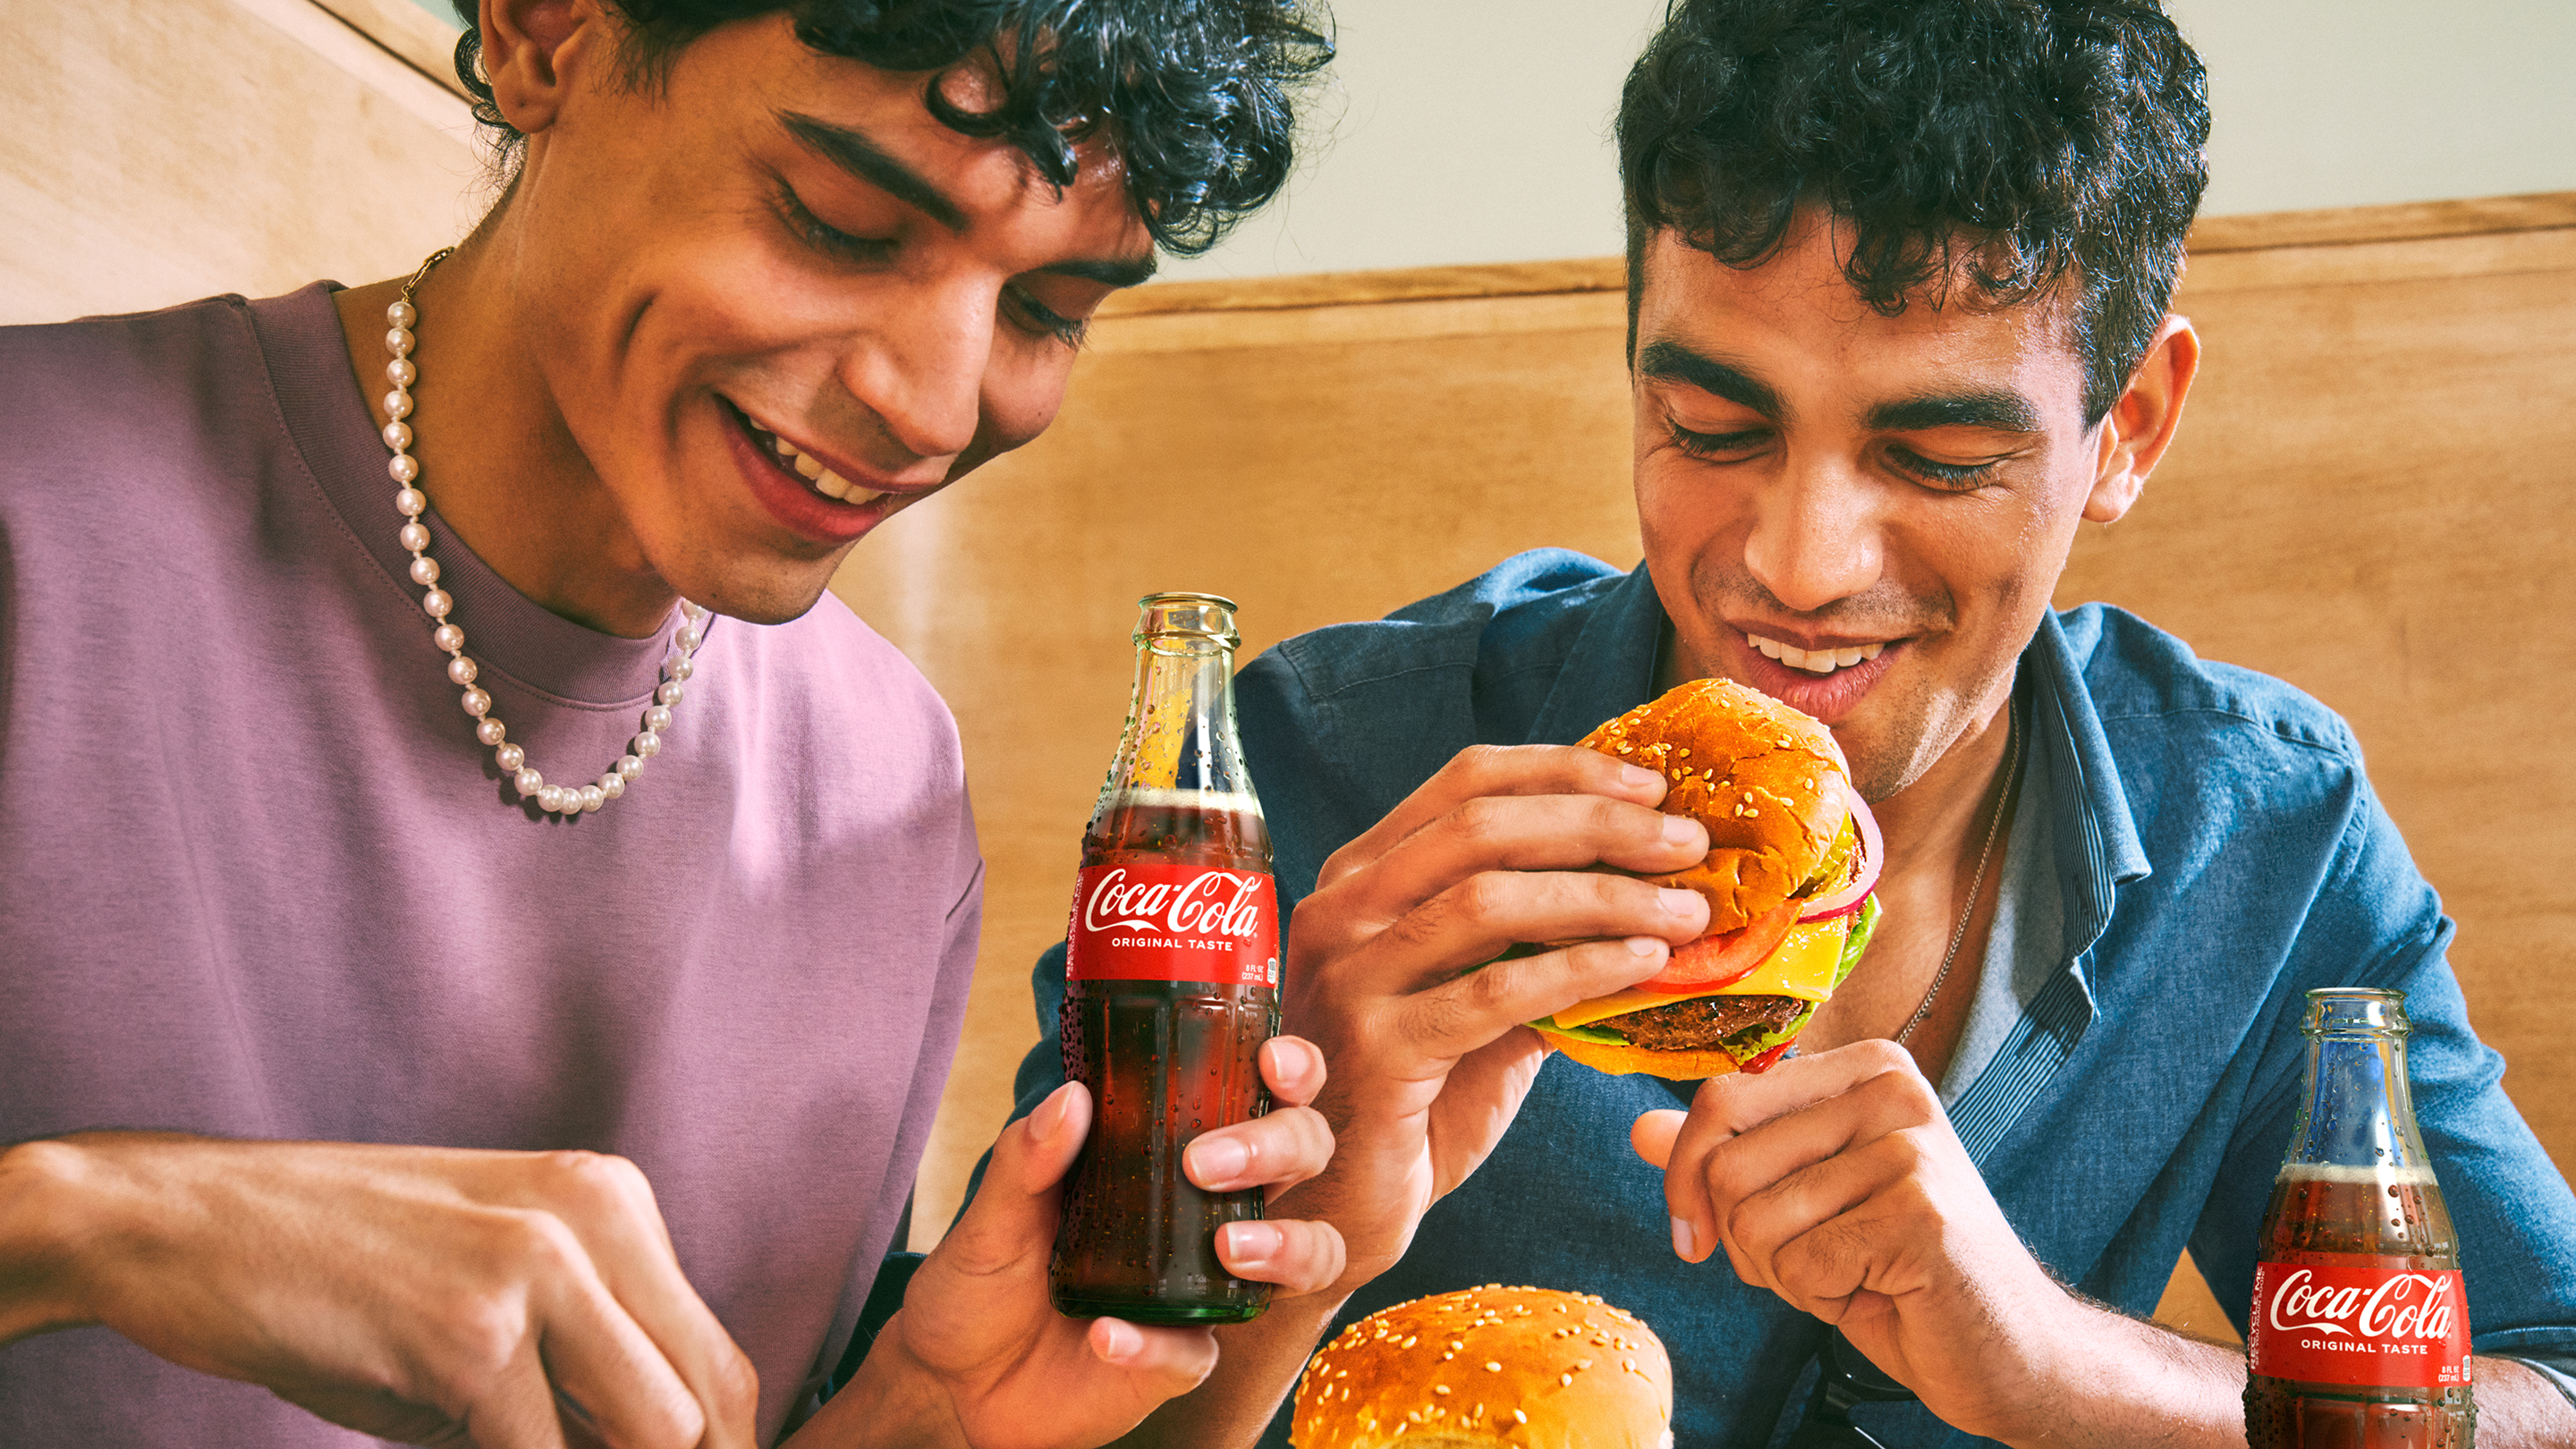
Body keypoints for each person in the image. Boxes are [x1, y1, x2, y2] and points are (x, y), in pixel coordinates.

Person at [990, 1, 2576, 1444]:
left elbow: (2550, 1375)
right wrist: (1292, 1246)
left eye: (1942, 456)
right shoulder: (1313, 778)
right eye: (1711, 426)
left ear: (2127, 430)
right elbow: (996, 1405)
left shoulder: (2271, 840)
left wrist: (2054, 1370)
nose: (1799, 567)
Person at [0, 2, 1352, 1445]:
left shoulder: (889, 778)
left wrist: (919, 1417)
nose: (936, 406)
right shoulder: (38, 516)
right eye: (839, 221)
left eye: (1046, 314)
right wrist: (97, 1225)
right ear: (543, 38)